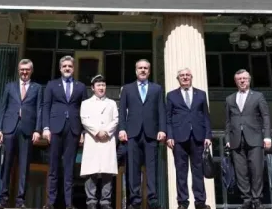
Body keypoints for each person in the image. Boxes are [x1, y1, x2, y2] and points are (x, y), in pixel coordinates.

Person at [118, 59, 166, 209]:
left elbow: (161, 111)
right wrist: (122, 129)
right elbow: (122, 111)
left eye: (146, 68)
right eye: (140, 68)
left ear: (149, 71)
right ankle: (135, 200)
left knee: (152, 168)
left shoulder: (157, 89)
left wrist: (162, 129)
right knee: (132, 168)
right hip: (132, 133)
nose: (143, 70)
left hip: (151, 133)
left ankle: (152, 199)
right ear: (136, 70)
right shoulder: (127, 89)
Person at [0, 59, 43, 209]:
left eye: (27, 69)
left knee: (24, 167)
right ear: (18, 70)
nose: (24, 72)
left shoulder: (37, 88)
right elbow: (3, 108)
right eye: (22, 69)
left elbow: (40, 109)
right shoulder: (9, 86)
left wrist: (37, 130)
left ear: (31, 71)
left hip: (27, 130)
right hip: (9, 129)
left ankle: (20, 201)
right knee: (6, 165)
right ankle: (3, 200)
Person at [43, 56, 87, 209]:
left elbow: (84, 110)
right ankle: (50, 202)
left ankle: (69, 203)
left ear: (73, 68)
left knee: (69, 168)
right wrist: (46, 128)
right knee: (53, 167)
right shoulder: (51, 85)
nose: (67, 68)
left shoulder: (81, 87)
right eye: (64, 66)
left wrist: (83, 131)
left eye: (70, 66)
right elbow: (46, 106)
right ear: (60, 68)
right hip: (55, 128)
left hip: (73, 130)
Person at [166, 68, 212, 209]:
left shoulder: (201, 94)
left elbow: (206, 116)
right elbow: (168, 117)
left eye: (187, 75)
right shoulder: (171, 95)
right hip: (179, 139)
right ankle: (182, 202)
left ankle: (200, 202)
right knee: (181, 172)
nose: (185, 77)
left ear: (191, 77)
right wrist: (170, 136)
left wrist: (208, 136)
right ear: (178, 79)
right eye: (182, 76)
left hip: (198, 138)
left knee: (198, 171)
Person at [224, 69, 271, 209]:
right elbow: (227, 121)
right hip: (236, 139)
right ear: (236, 81)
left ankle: (257, 198)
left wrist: (267, 136)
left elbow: (266, 117)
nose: (242, 81)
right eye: (239, 79)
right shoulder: (230, 99)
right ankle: (246, 199)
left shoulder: (258, 96)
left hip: (255, 138)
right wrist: (227, 138)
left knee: (256, 170)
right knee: (240, 171)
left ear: (249, 80)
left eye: (245, 78)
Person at [80, 75, 119, 209]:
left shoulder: (112, 103)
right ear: (93, 88)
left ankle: (105, 201)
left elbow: (115, 119)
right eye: (98, 85)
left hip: (107, 139)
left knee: (107, 171)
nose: (101, 88)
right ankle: (91, 200)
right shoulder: (86, 103)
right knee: (91, 170)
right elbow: (84, 119)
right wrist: (96, 131)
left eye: (103, 85)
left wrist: (106, 132)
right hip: (93, 138)